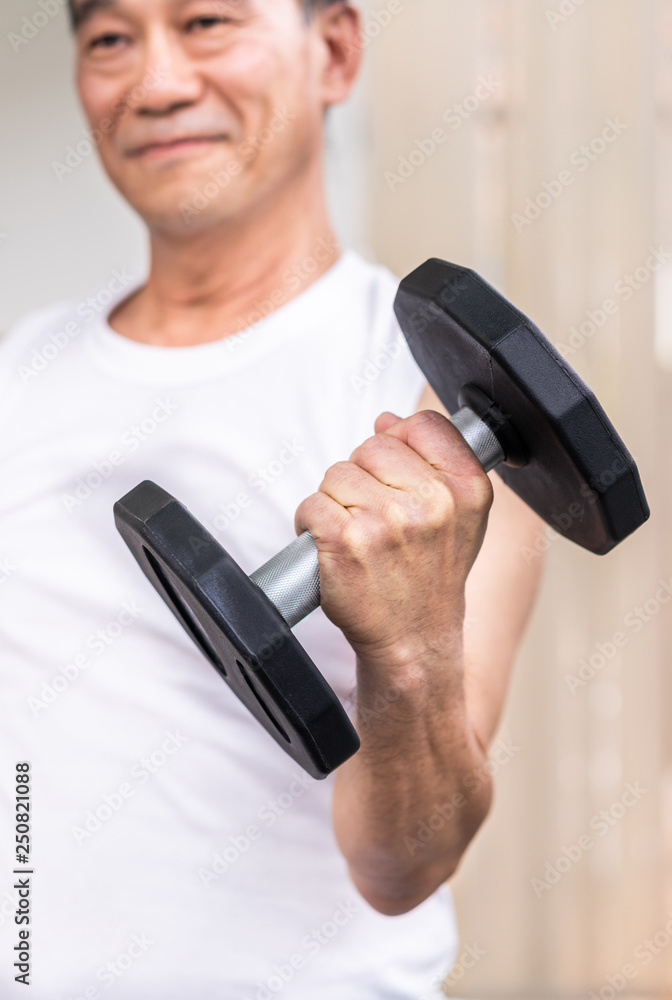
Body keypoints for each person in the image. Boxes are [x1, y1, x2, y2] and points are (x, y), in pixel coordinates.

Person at [0, 0, 544, 996]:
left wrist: (408, 645)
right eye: (110, 39)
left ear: (333, 50)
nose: (156, 84)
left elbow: (405, 867)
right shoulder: (17, 372)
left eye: (206, 22)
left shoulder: (445, 415)